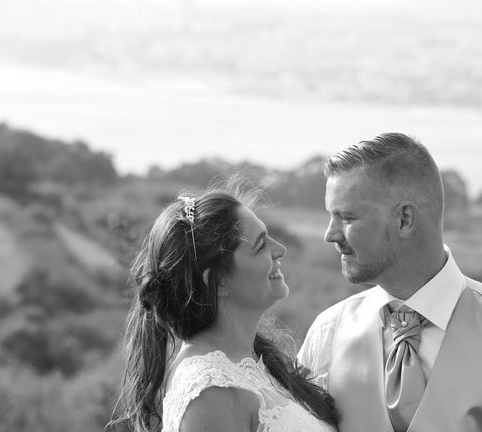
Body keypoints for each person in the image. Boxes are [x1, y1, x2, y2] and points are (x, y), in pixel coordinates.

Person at [298, 132, 482, 432]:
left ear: (404, 219)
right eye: (330, 217)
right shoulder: (327, 334)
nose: (330, 234)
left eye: (347, 218)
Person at [108, 184, 339, 432]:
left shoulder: (251, 361)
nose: (280, 250)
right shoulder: (211, 393)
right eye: (261, 246)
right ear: (216, 282)